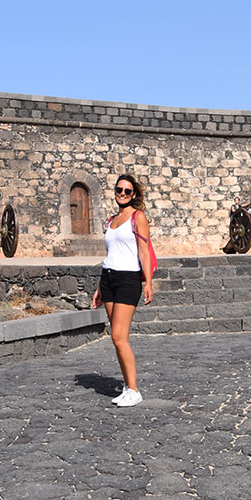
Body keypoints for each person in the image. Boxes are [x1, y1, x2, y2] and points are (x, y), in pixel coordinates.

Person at [91, 174, 153, 407]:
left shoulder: (138, 217)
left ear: (134, 194)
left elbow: (144, 251)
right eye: (119, 189)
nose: (122, 194)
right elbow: (110, 255)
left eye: (127, 191)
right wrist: (99, 287)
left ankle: (134, 390)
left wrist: (148, 282)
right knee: (118, 339)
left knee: (118, 336)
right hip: (108, 278)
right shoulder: (111, 220)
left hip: (128, 279)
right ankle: (127, 387)